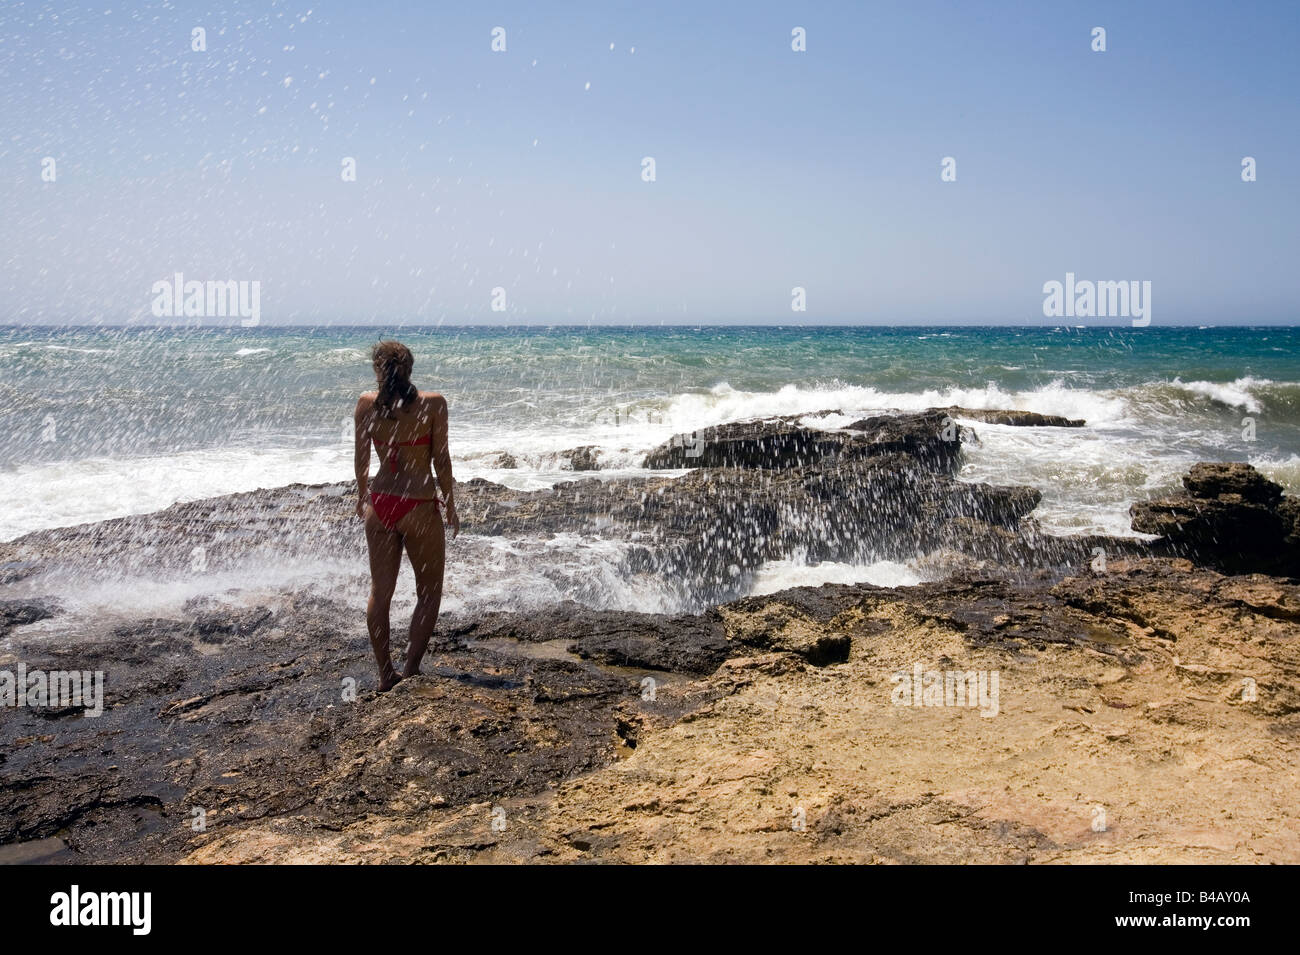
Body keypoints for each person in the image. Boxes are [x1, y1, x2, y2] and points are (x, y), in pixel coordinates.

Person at [353, 341, 459, 691]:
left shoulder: (366, 405)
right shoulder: (433, 405)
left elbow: (362, 461)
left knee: (380, 592)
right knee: (428, 592)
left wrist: (360, 497)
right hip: (419, 504)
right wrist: (451, 503)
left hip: (381, 503)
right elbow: (441, 461)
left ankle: (385, 675)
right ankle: (411, 670)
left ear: (377, 371)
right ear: (411, 368)